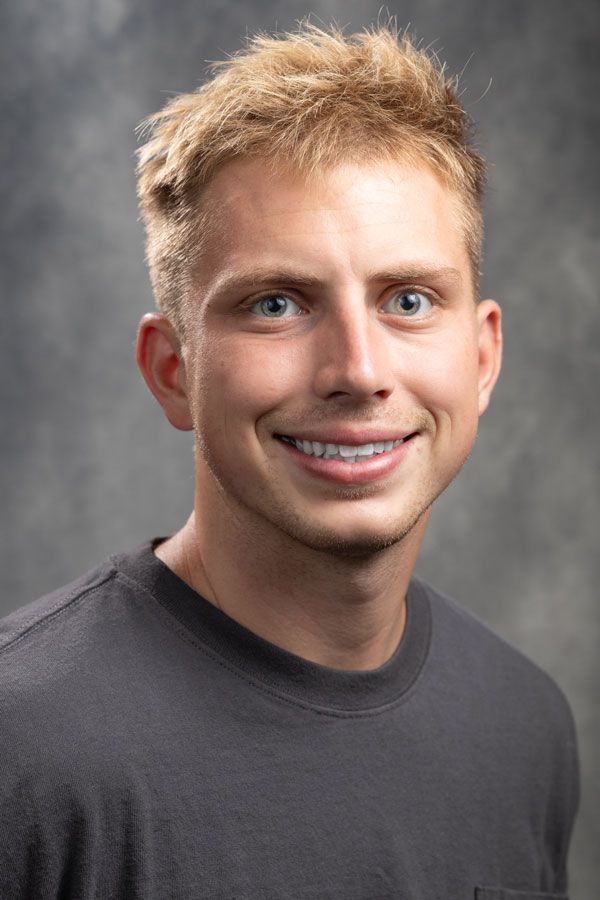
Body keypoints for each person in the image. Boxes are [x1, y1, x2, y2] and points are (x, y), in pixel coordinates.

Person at [0, 23, 579, 899]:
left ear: (483, 356)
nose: (359, 371)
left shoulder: (525, 728)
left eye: (409, 300)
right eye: (276, 303)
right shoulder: (23, 745)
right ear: (173, 370)